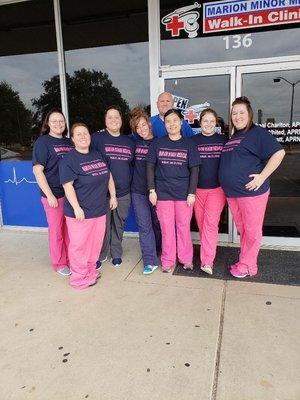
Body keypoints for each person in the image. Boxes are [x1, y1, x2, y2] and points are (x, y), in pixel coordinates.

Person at [219, 96, 285, 278]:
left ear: (249, 114)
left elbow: (279, 152)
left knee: (252, 231)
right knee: (244, 230)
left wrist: (262, 176)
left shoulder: (257, 133)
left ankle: (249, 266)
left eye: (242, 112)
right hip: (233, 193)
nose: (238, 116)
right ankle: (244, 260)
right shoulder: (235, 136)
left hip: (251, 193)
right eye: (234, 113)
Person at [59, 123, 117, 289]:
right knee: (79, 245)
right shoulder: (69, 160)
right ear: (73, 139)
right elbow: (67, 186)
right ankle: (78, 278)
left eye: (85, 133)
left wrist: (112, 195)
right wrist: (76, 207)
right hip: (80, 212)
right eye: (79, 134)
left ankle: (90, 270)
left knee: (95, 244)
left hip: (99, 210)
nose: (83, 136)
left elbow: (108, 176)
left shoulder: (97, 154)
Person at [146, 109, 201, 272]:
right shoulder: (157, 143)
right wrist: (151, 190)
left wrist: (192, 192)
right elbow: (150, 167)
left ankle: (186, 259)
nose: (172, 124)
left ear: (181, 122)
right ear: (164, 124)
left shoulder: (189, 144)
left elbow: (195, 170)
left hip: (184, 194)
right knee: (166, 228)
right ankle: (168, 260)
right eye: (168, 121)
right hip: (162, 193)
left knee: (183, 227)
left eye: (175, 120)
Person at [91, 105, 135, 268]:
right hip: (102, 193)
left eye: (117, 117)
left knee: (118, 225)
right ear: (105, 120)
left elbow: (132, 165)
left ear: (121, 120)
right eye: (110, 117)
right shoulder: (96, 138)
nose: (114, 120)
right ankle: (100, 254)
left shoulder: (129, 142)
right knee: (102, 226)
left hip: (123, 193)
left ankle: (116, 253)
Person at [32, 109, 73, 276]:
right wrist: (49, 195)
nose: (58, 124)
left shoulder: (69, 142)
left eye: (61, 121)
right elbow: (38, 170)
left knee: (69, 231)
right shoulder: (43, 143)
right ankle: (59, 262)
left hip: (70, 195)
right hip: (54, 194)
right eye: (54, 121)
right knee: (56, 231)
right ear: (48, 123)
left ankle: (71, 259)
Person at [192, 108, 227, 275]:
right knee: (201, 224)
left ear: (216, 123)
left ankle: (207, 260)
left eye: (212, 121)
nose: (208, 124)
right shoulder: (193, 141)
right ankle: (207, 252)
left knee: (211, 224)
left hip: (216, 190)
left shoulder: (223, 140)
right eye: (205, 120)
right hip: (197, 190)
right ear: (200, 122)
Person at [130, 108, 161, 275]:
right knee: (144, 226)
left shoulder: (160, 142)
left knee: (157, 223)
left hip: (156, 192)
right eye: (137, 127)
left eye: (143, 125)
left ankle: (157, 250)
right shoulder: (134, 144)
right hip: (138, 191)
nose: (141, 129)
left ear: (149, 124)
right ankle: (149, 260)